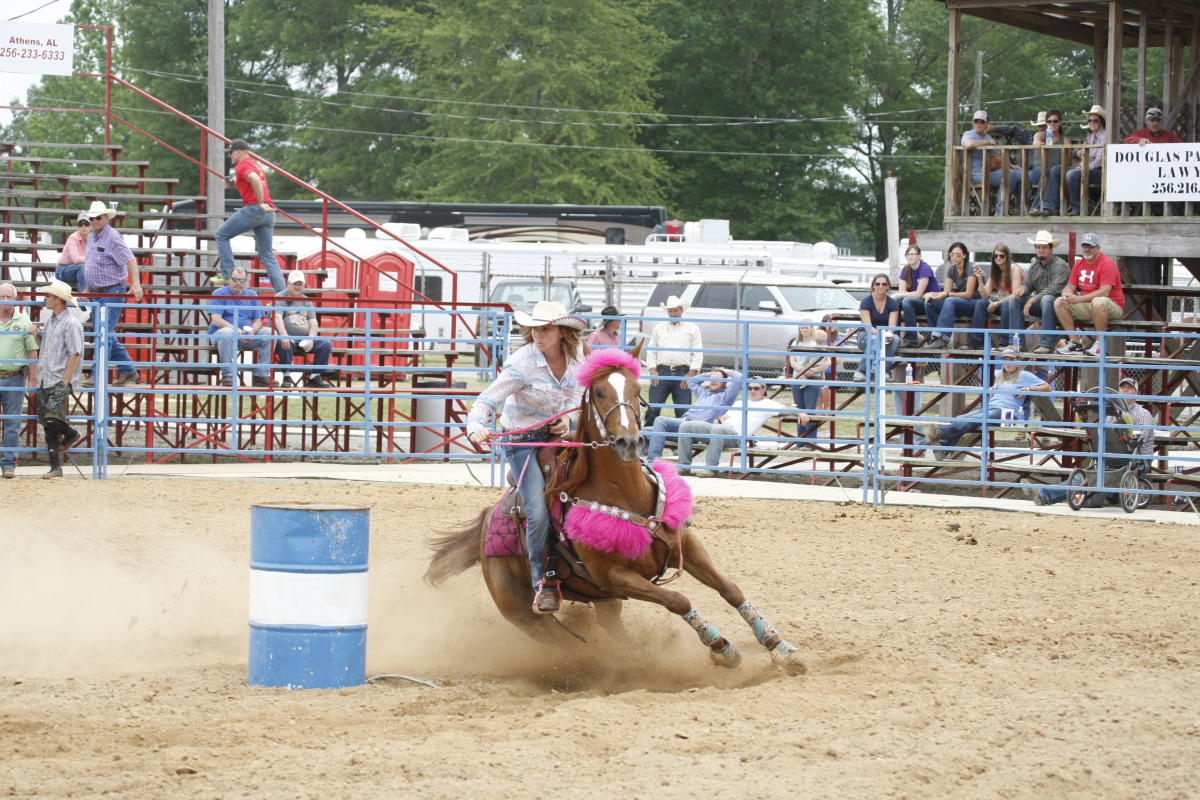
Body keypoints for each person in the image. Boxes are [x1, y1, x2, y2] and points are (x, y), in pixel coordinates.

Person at [466, 300, 586, 615]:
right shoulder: (522, 362)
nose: (538, 334)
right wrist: (476, 426)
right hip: (521, 442)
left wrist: (568, 422)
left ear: (561, 332)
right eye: (534, 328)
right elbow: (487, 399)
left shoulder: (577, 359)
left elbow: (577, 397)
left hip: (558, 438)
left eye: (545, 329)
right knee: (537, 509)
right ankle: (542, 582)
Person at [1022, 378, 1154, 506]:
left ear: (1136, 393)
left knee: (1092, 478)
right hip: (1113, 456)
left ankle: (1045, 493)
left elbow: (1140, 438)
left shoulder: (1142, 413)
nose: (1126, 390)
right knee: (1088, 476)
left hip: (1135, 459)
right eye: (1123, 387)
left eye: (1130, 388)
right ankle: (1047, 495)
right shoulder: (1111, 414)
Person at [925, 347, 1049, 454]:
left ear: (1018, 361)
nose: (1008, 363)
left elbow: (1046, 387)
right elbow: (995, 388)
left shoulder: (1024, 375)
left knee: (978, 419)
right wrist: (992, 390)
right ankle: (944, 448)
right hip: (992, 407)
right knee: (961, 417)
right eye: (1005, 360)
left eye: (1011, 360)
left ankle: (941, 432)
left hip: (1008, 413)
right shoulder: (1001, 375)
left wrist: (1028, 388)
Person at [80, 200, 143, 387]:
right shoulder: (93, 236)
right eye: (91, 218)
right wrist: (89, 287)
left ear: (106, 217)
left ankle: (97, 374)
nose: (94, 221)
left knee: (102, 332)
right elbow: (93, 263)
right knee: (104, 332)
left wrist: (136, 284)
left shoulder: (113, 237)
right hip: (100, 291)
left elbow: (130, 259)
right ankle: (128, 369)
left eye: (98, 217)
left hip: (112, 290)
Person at [213, 138, 285, 292]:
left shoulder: (242, 165)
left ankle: (228, 275)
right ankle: (283, 295)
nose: (229, 156)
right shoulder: (254, 164)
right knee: (267, 256)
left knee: (221, 235)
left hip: (255, 209)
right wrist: (233, 183)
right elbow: (250, 180)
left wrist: (260, 203)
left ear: (238, 152)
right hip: (269, 214)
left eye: (231, 153)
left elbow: (254, 179)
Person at [676, 381, 785, 477]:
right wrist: (718, 419)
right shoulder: (740, 403)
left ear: (764, 390)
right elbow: (724, 418)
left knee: (718, 429)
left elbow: (788, 410)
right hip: (719, 429)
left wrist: (801, 414)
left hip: (736, 436)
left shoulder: (768, 404)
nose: (752, 390)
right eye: (750, 388)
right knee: (686, 426)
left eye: (756, 388)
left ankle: (710, 468)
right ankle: (684, 466)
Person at [35, 280, 84, 480]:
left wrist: (65, 380)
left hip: (57, 378)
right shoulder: (52, 321)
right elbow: (46, 346)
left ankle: (72, 434)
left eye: (48, 296)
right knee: (49, 425)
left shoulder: (70, 323)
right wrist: (37, 336)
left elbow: (75, 353)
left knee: (51, 420)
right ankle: (56, 467)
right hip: (47, 377)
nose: (45, 299)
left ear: (57, 299)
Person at [644, 368, 742, 463]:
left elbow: (739, 377)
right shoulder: (704, 393)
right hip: (681, 425)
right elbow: (691, 382)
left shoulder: (725, 397)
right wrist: (708, 374)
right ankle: (637, 463)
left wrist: (726, 371)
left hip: (696, 428)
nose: (713, 381)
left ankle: (653, 462)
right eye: (712, 378)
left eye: (717, 379)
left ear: (724, 382)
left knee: (660, 420)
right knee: (641, 431)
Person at [1053, 233, 1125, 357]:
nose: (1087, 249)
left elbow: (1105, 292)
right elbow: (1070, 286)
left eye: (1090, 247)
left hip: (1112, 305)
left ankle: (1099, 344)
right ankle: (1075, 343)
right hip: (1089, 305)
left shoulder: (1107, 263)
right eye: (1085, 246)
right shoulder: (1079, 264)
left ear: (1098, 248)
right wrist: (1066, 295)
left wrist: (1078, 299)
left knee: (1098, 301)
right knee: (1059, 302)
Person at [208, 266, 273, 388]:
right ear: (229, 279)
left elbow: (258, 320)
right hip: (223, 333)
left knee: (270, 333)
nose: (238, 283)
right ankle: (227, 374)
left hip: (246, 334)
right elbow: (216, 319)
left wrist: (253, 330)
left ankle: (261, 375)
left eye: (242, 280)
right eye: (235, 279)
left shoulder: (252, 294)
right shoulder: (219, 293)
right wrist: (235, 330)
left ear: (246, 281)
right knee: (227, 333)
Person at [643, 295, 703, 426]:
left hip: (683, 373)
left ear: (681, 310)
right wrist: (652, 370)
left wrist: (690, 374)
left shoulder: (692, 328)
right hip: (661, 371)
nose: (673, 313)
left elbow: (697, 353)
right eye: (670, 311)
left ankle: (679, 442)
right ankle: (647, 439)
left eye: (675, 310)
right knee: (653, 408)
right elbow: (652, 349)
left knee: (683, 410)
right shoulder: (659, 327)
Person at [0, 283, 38, 479]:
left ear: (16, 299)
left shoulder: (24, 321)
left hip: (15, 377)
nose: (5, 301)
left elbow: (32, 351)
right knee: (10, 422)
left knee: (12, 422)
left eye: (9, 297)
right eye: (2, 297)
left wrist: (33, 379)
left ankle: (9, 464)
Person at [273, 270, 333, 389]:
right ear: (288, 284)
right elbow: (277, 317)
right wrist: (284, 335)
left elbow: (313, 322)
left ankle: (315, 377)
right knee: (284, 342)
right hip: (288, 337)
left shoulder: (306, 301)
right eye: (295, 284)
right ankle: (287, 376)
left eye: (300, 284)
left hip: (304, 339)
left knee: (326, 344)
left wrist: (311, 338)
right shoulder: (279, 297)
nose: (297, 287)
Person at [1047, 105, 1105, 217]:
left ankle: (1077, 208)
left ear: (1101, 122)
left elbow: (1099, 161)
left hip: (1100, 171)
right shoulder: (1091, 136)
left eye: (1095, 120)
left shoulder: (1105, 136)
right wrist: (1079, 154)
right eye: (1090, 120)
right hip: (1087, 168)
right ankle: (1052, 207)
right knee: (1055, 170)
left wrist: (1082, 167)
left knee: (1072, 174)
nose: (1092, 123)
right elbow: (1082, 154)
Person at [963, 109, 1021, 215]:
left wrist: (1011, 165)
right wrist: (986, 142)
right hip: (975, 173)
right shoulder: (969, 134)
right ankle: (1000, 212)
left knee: (1019, 175)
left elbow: (997, 156)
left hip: (989, 171)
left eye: (982, 121)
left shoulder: (988, 136)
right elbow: (967, 144)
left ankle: (1020, 211)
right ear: (973, 122)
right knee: (1011, 176)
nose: (979, 124)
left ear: (987, 124)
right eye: (976, 121)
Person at [922, 242, 979, 349]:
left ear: (964, 255)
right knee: (930, 301)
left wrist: (948, 294)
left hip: (975, 303)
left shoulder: (971, 267)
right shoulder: (951, 269)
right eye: (951, 254)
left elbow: (969, 294)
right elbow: (946, 292)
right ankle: (936, 337)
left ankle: (943, 338)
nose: (954, 257)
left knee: (950, 300)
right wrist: (932, 294)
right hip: (959, 303)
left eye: (957, 254)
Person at [969, 243, 1024, 350]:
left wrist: (996, 303)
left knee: (1008, 303)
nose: (998, 258)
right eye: (996, 256)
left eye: (1001, 256)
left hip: (1015, 305)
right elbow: (984, 295)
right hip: (1000, 302)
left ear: (1007, 257)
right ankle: (975, 342)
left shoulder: (1015, 269)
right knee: (980, 303)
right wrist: (980, 280)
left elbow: (1015, 295)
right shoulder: (996, 272)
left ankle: (1003, 342)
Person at [893, 245, 941, 346]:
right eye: (908, 254)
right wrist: (898, 295)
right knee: (897, 301)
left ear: (919, 256)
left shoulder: (925, 268)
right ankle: (894, 337)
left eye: (913, 254)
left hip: (930, 303)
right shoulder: (905, 269)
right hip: (916, 302)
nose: (910, 257)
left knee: (906, 301)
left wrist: (898, 295)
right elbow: (902, 291)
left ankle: (911, 338)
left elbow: (918, 294)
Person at [854, 273, 899, 380]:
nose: (880, 286)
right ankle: (862, 371)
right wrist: (881, 335)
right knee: (875, 340)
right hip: (866, 335)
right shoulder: (866, 302)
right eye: (877, 284)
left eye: (884, 284)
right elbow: (867, 327)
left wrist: (888, 334)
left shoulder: (892, 303)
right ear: (873, 286)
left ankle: (884, 372)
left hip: (885, 335)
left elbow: (892, 326)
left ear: (888, 286)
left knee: (896, 339)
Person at [1029, 109, 1071, 215]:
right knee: (1045, 172)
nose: (1052, 123)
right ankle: (1042, 207)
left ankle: (1042, 207)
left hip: (1054, 171)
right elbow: (1036, 141)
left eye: (1055, 121)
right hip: (1038, 169)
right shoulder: (1041, 135)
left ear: (1060, 123)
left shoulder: (1065, 139)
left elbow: (1068, 159)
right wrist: (1039, 143)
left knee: (1051, 171)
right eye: (1049, 121)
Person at [786, 324, 828, 428]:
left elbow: (828, 362)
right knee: (799, 409)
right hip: (798, 377)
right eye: (802, 327)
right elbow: (792, 361)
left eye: (807, 327)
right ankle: (800, 440)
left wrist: (815, 370)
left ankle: (810, 440)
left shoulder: (817, 342)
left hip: (813, 378)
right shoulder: (795, 342)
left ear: (811, 329)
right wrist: (803, 370)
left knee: (810, 410)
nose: (804, 330)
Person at [54, 211, 91, 292]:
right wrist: (91, 260)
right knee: (83, 267)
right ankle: (84, 298)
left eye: (86, 224)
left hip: (79, 270)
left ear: (91, 226)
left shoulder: (93, 239)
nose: (83, 226)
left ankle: (95, 299)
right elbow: (76, 259)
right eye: (80, 224)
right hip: (62, 271)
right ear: (78, 227)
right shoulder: (73, 238)